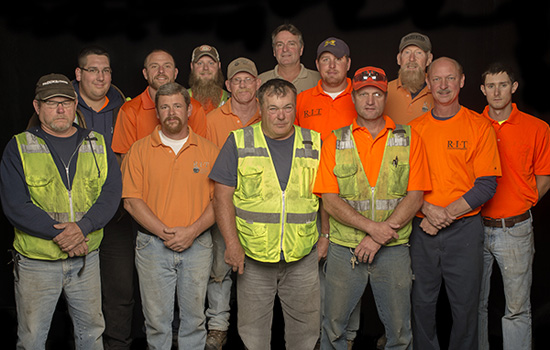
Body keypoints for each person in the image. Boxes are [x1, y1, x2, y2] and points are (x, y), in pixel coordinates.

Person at [0, 73, 122, 349]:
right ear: (37, 106)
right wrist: (65, 236)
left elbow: (111, 193)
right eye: (51, 103)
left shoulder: (97, 144)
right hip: (36, 262)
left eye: (65, 102)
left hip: (85, 260)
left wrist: (82, 228)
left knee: (91, 334)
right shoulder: (19, 147)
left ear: (75, 104)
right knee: (32, 339)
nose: (59, 109)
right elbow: (16, 204)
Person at [314, 66, 431, 350]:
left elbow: (415, 197)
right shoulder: (335, 140)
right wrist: (373, 230)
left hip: (393, 250)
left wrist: (379, 237)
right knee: (333, 329)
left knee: (400, 333)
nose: (370, 100)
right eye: (363, 94)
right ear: (353, 98)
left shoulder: (409, 138)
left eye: (376, 94)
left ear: (385, 97)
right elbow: (329, 200)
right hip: (344, 250)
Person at [210, 78, 321, 350]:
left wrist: (326, 235)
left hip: (303, 255)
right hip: (253, 255)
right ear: (260, 107)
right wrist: (232, 245)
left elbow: (326, 195)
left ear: (296, 108)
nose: (281, 115)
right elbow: (221, 197)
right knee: (253, 333)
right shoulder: (239, 141)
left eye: (287, 108)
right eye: (273, 108)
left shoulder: (315, 142)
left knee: (306, 333)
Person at [409, 57, 501, 350]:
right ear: (428, 83)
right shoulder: (413, 129)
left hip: (464, 230)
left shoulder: (479, 126)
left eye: (450, 79)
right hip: (421, 227)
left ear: (461, 81)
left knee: (465, 306)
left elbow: (487, 184)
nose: (443, 85)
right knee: (421, 302)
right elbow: (402, 183)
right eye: (437, 79)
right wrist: (428, 211)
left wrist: (443, 215)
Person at [121, 82, 219, 349]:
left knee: (194, 321)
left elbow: (219, 201)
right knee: (156, 322)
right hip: (153, 246)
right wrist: (165, 232)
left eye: (177, 106)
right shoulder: (139, 151)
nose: (171, 112)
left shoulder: (209, 151)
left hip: (197, 245)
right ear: (157, 112)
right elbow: (131, 201)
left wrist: (191, 232)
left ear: (189, 110)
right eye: (164, 107)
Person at [477, 62, 550, 350]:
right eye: (491, 86)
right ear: (482, 90)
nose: (497, 91)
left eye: (503, 84)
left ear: (514, 87)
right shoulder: (472, 124)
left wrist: (523, 203)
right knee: (475, 305)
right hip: (474, 228)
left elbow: (544, 177)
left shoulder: (537, 127)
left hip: (516, 228)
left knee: (517, 307)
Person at [73, 45, 137, 350]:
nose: (100, 77)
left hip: (116, 216)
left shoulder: (125, 108)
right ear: (79, 74)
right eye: (93, 70)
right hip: (72, 217)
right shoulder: (61, 106)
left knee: (120, 290)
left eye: (106, 70)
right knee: (76, 290)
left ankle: (118, 345)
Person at [203, 56, 262, 350]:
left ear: (257, 83)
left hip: (262, 209)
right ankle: (217, 325)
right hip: (223, 207)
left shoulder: (271, 115)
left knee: (259, 272)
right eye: (236, 80)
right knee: (219, 270)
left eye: (248, 79)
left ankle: (255, 332)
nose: (242, 85)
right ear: (227, 85)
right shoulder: (211, 120)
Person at [112, 49, 207, 156]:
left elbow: (201, 153)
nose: (161, 71)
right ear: (145, 73)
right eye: (154, 66)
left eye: (167, 66)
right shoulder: (129, 110)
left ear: (175, 73)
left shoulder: (194, 107)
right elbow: (126, 158)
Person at [295, 36, 356, 141]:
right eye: (326, 59)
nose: (332, 65)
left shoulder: (362, 98)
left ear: (348, 64)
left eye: (338, 59)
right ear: (317, 65)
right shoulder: (301, 100)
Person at [384, 32, 434, 125]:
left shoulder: (439, 92)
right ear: (399, 59)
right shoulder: (384, 91)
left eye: (419, 53)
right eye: (407, 52)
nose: (412, 59)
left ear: (429, 59)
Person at [258, 23, 321, 94]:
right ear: (274, 51)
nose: (285, 49)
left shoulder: (319, 80)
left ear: (301, 49)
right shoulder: (260, 81)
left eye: (291, 44)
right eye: (280, 45)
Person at [188, 44, 230, 115]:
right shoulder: (182, 98)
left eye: (211, 63)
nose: (206, 68)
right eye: (200, 63)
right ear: (192, 66)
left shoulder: (230, 99)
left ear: (219, 66)